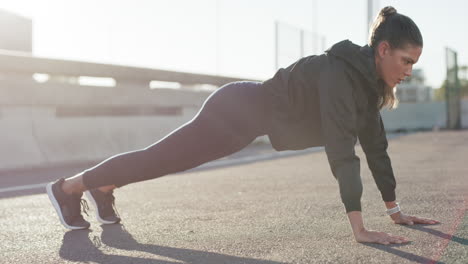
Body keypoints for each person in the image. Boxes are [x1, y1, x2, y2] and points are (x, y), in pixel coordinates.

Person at [47, 6, 439, 245]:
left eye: (413, 65)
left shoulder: (366, 88)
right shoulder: (340, 74)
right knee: (160, 159)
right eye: (406, 61)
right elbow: (341, 148)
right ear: (384, 49)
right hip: (235, 109)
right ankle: (67, 188)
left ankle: (103, 186)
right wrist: (360, 228)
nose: (408, 71)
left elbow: (374, 146)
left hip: (246, 122)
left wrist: (395, 211)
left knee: (165, 161)